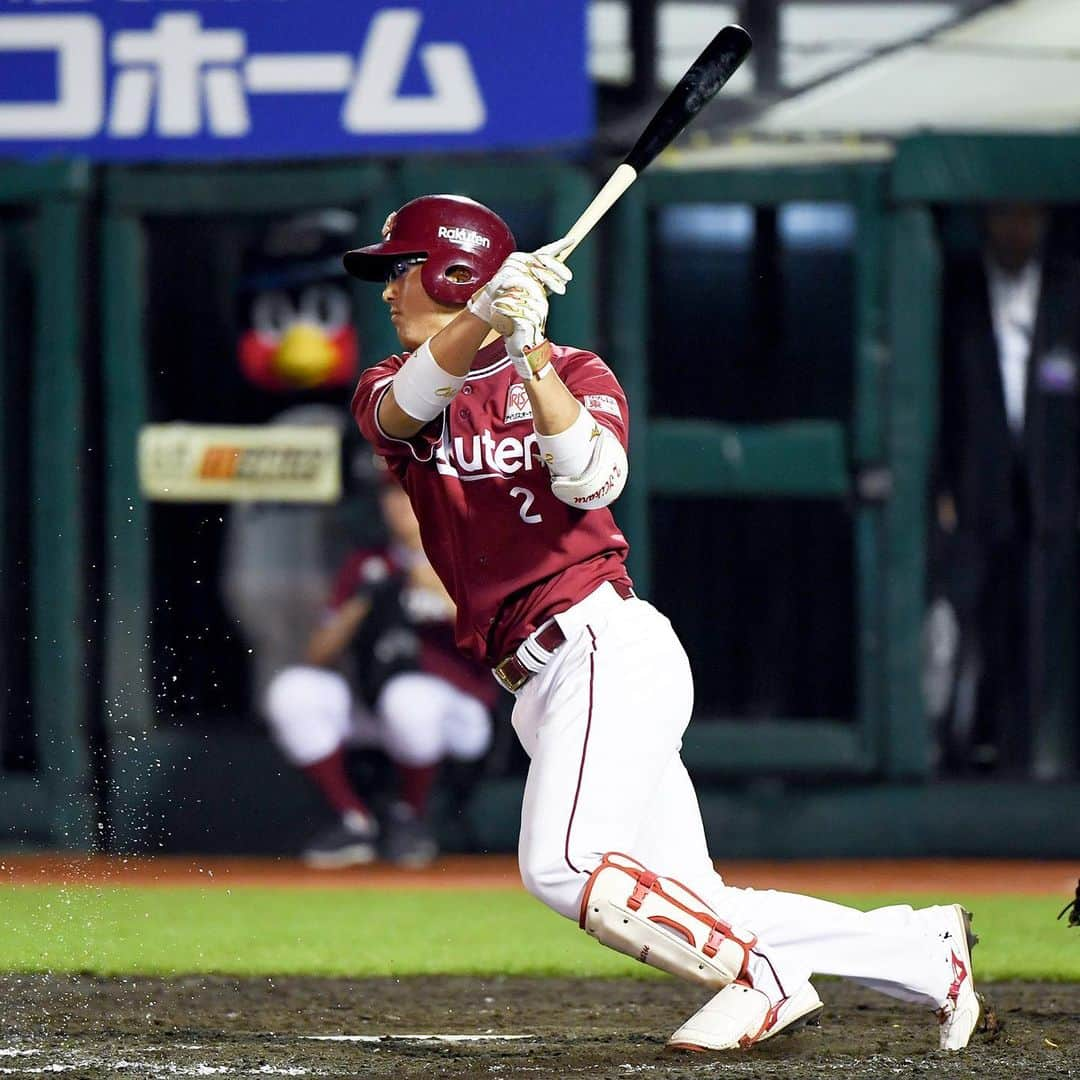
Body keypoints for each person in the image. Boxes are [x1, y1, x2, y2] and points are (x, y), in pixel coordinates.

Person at [345, 193, 982, 1051]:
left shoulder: (577, 372)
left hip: (603, 645)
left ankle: (762, 981)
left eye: (402, 270)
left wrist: (526, 348)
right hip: (537, 680)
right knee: (698, 899)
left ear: (455, 274)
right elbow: (405, 410)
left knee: (564, 866)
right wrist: (488, 316)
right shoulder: (390, 385)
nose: (387, 291)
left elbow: (591, 482)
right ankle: (921, 948)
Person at [263, 473, 497, 868]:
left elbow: (502, 644)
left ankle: (411, 817)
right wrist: (358, 607)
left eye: (410, 493)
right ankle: (353, 821)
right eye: (392, 494)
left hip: (461, 715)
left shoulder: (468, 558)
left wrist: (442, 595)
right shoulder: (369, 565)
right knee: (293, 691)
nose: (400, 505)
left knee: (408, 699)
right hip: (382, 704)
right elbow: (317, 654)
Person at [936, 204, 1080, 778]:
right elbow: (940, 404)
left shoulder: (1070, 291)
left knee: (1049, 629)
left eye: (1028, 217)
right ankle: (971, 754)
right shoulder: (959, 295)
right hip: (979, 500)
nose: (1016, 229)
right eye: (1005, 216)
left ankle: (1049, 758)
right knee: (977, 631)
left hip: (1057, 502)